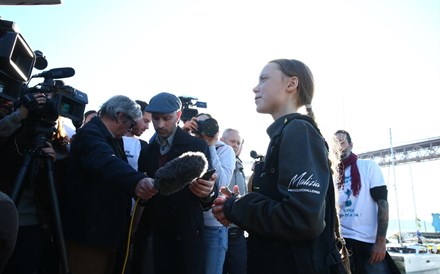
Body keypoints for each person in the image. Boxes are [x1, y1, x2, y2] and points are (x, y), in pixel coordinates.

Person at [212, 59, 344, 274]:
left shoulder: (298, 132)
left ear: (291, 84)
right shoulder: (287, 134)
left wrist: (236, 206)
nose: (255, 87)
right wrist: (235, 208)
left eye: (264, 79)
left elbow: (301, 219)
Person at [61, 95, 158, 274]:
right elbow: (106, 161)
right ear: (120, 116)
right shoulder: (90, 134)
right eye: (130, 125)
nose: (129, 130)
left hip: (107, 234)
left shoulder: (113, 139)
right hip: (88, 236)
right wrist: (136, 181)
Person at [132, 92, 217, 274]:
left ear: (178, 116)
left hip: (184, 235)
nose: (160, 124)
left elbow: (210, 194)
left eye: (166, 118)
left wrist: (207, 192)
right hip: (154, 236)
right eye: (155, 118)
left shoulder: (198, 146)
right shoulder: (146, 151)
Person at [0, 92, 70, 274]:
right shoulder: (13, 128)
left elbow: (58, 191)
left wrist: (54, 163)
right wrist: (20, 114)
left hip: (35, 225)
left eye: (51, 99)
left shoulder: (58, 143)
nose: (45, 102)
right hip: (5, 218)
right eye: (42, 96)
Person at [334, 129, 397, 274]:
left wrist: (381, 242)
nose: (339, 147)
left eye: (342, 142)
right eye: (335, 144)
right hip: (341, 241)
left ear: (351, 145)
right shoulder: (332, 174)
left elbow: (382, 202)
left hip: (367, 242)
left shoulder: (368, 166)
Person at [184, 114, 235, 274]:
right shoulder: (186, 144)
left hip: (212, 226)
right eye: (198, 124)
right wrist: (181, 133)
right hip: (188, 223)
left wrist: (210, 146)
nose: (203, 128)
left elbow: (222, 184)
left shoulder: (224, 150)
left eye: (207, 123)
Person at [220, 128, 248, 274]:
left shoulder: (240, 166)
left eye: (238, 142)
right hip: (219, 233)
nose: (236, 145)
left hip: (238, 235)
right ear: (222, 141)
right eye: (232, 141)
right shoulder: (217, 164)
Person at [123, 100, 151, 170]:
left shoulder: (143, 146)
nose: (147, 127)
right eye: (145, 121)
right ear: (134, 116)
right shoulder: (109, 138)